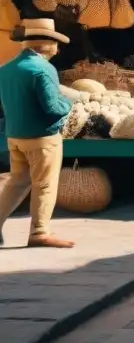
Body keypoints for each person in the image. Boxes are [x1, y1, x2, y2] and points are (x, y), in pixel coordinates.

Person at [0, 19, 74, 248]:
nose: (57, 50)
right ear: (47, 45)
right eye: (54, 44)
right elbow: (52, 107)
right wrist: (69, 104)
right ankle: (39, 232)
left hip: (15, 136)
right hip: (41, 138)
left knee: (17, 182)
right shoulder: (43, 68)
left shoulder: (6, 68)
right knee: (44, 184)